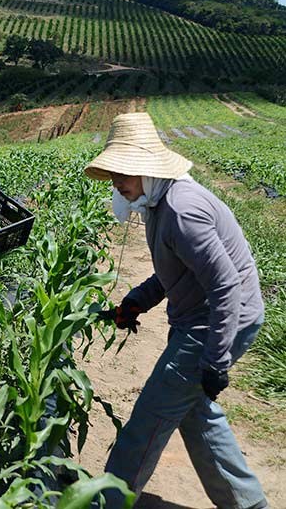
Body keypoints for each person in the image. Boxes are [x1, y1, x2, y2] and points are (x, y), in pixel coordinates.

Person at [85, 113, 268, 509]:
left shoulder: (182, 212)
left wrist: (215, 359)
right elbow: (176, 269)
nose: (116, 182)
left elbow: (225, 286)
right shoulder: (160, 203)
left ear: (147, 169)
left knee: (150, 416)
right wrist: (137, 300)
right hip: (205, 317)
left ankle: (107, 501)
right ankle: (248, 503)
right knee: (194, 411)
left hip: (219, 320)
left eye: (123, 172)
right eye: (113, 172)